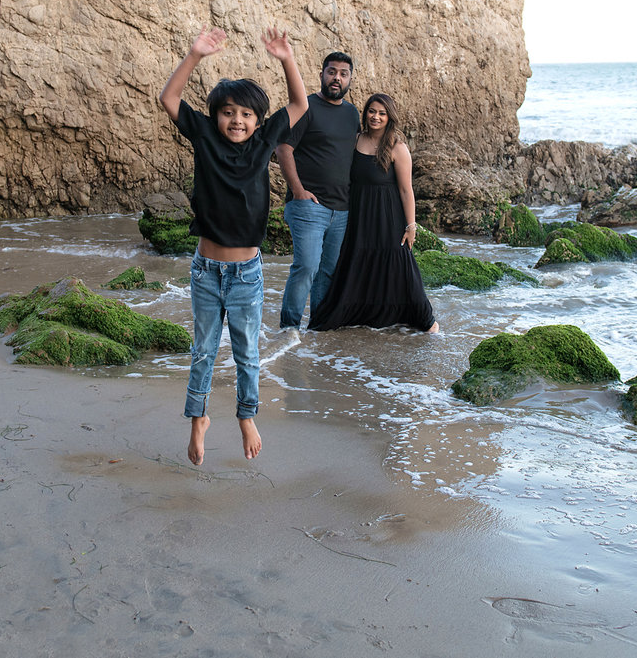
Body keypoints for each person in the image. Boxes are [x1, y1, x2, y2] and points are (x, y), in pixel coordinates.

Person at [158, 26, 308, 466]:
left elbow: (299, 105)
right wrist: (193, 56)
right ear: (215, 117)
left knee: (247, 353)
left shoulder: (264, 142)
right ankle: (198, 419)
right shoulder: (204, 137)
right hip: (205, 271)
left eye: (245, 114)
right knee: (203, 351)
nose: (236, 121)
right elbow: (169, 99)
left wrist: (286, 59)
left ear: (258, 122)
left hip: (246, 274)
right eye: (228, 113)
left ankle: (246, 417)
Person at [308, 93, 438, 333]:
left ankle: (428, 322)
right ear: (365, 113)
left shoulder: (397, 148)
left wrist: (411, 226)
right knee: (357, 262)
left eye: (382, 113)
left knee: (399, 265)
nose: (375, 117)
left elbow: (406, 190)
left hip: (388, 216)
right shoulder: (355, 140)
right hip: (358, 214)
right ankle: (362, 316)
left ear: (390, 117)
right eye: (372, 111)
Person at [276, 51, 361, 328]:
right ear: (322, 73)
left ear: (350, 79)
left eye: (343, 74)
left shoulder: (352, 113)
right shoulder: (305, 107)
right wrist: (298, 191)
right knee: (307, 267)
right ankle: (289, 329)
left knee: (329, 271)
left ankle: (319, 329)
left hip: (343, 208)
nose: (337, 78)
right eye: (332, 71)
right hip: (309, 206)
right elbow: (283, 148)